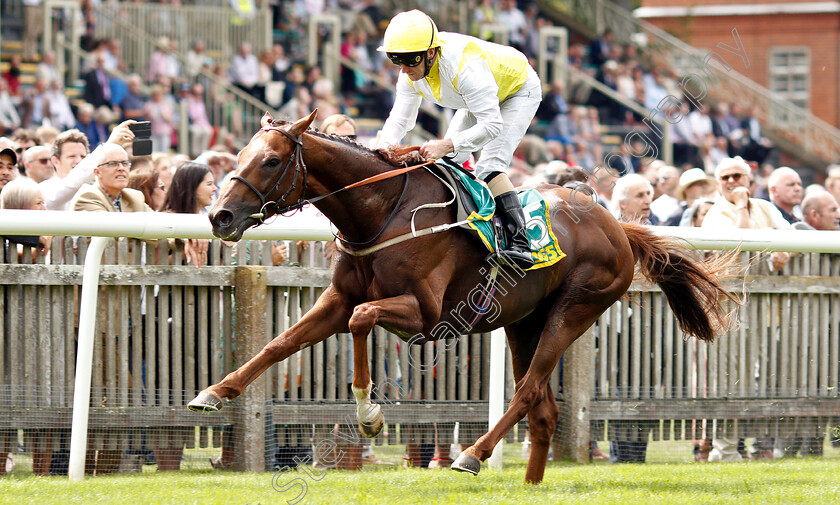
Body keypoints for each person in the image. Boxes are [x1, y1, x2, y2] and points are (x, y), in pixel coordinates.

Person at [375, 9, 542, 269]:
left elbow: (492, 124)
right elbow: (400, 120)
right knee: (449, 160)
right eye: (396, 60)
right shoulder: (410, 70)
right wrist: (382, 150)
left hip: (518, 91)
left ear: (431, 52)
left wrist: (446, 143)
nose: (405, 69)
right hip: (475, 99)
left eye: (410, 60)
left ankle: (521, 243)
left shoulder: (465, 68)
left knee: (489, 165)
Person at [40, 122, 135, 211]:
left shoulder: (97, 188)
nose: (78, 161)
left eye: (83, 157)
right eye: (71, 156)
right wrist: (109, 145)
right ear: (55, 161)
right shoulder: (46, 188)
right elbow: (73, 183)